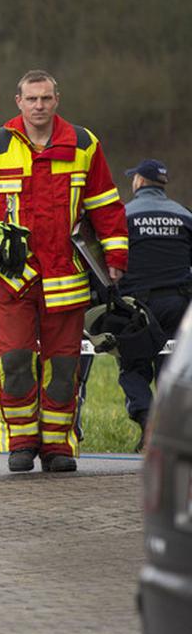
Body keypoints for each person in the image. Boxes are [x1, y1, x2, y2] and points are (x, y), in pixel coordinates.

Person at [0, 70, 128, 474]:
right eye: (31, 99)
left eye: (46, 98)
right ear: (18, 101)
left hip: (66, 277)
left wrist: (116, 257)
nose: (39, 106)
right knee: (13, 361)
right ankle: (20, 443)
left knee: (64, 366)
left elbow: (106, 206)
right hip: (12, 279)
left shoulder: (83, 145)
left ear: (57, 100)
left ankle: (57, 446)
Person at [115, 159, 191, 450]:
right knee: (170, 368)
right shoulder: (184, 215)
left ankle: (146, 417)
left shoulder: (123, 215)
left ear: (140, 182)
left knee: (133, 366)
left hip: (137, 308)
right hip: (178, 304)